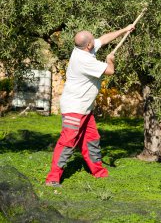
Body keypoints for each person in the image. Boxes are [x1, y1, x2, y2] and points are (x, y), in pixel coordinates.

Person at [46, 24, 135, 186]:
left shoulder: (83, 49)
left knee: (92, 139)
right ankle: (52, 178)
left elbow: (104, 39)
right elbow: (110, 71)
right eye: (92, 39)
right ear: (88, 45)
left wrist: (125, 29)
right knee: (67, 142)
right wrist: (109, 60)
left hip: (85, 108)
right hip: (75, 109)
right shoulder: (84, 60)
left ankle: (99, 172)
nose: (95, 40)